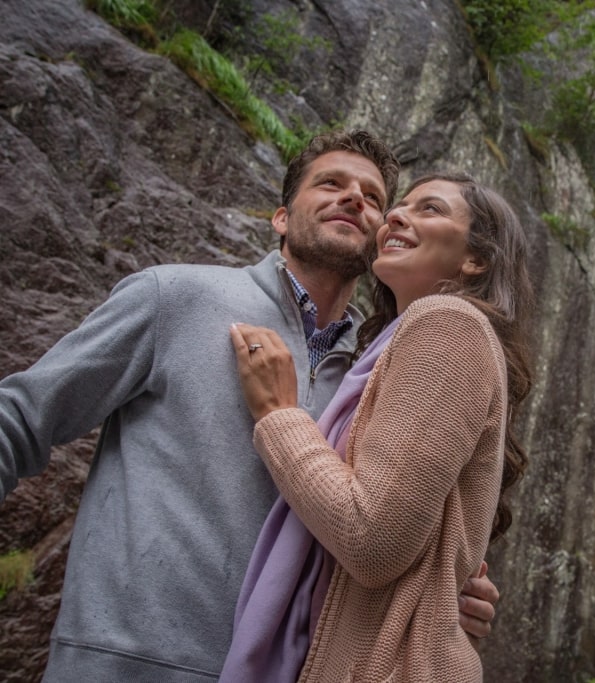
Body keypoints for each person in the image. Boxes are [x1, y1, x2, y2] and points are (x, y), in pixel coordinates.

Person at [0, 130, 498, 682]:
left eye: (374, 197)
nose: (355, 198)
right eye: (330, 183)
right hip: (125, 665)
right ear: (281, 218)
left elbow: (380, 522)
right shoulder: (173, 297)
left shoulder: (388, 365)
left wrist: (445, 592)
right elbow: (20, 420)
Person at [222, 171, 534, 682]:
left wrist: (279, 416)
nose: (394, 214)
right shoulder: (390, 348)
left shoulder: (449, 324)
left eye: (428, 208)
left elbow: (372, 540)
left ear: (475, 259)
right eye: (399, 206)